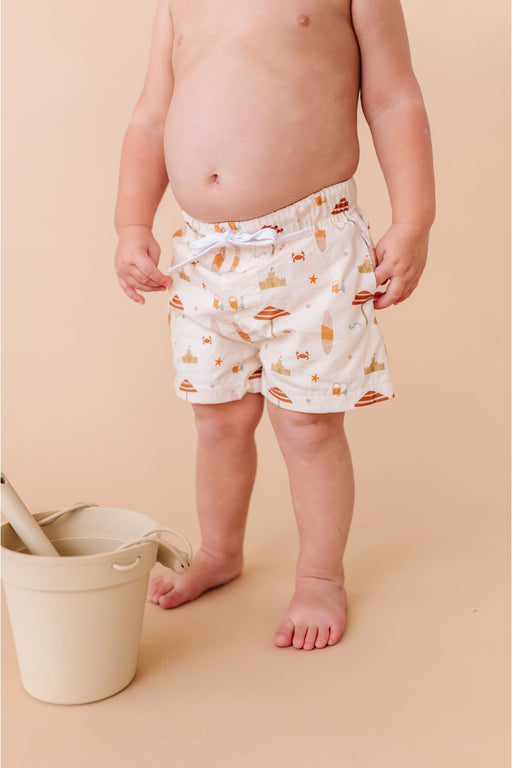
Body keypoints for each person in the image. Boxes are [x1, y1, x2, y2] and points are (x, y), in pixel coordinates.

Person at [114, 0, 435, 651]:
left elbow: (394, 98)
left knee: (308, 425)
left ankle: (320, 576)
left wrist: (413, 219)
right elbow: (150, 118)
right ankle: (219, 553)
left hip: (311, 250)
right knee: (217, 419)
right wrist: (131, 224)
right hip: (205, 256)